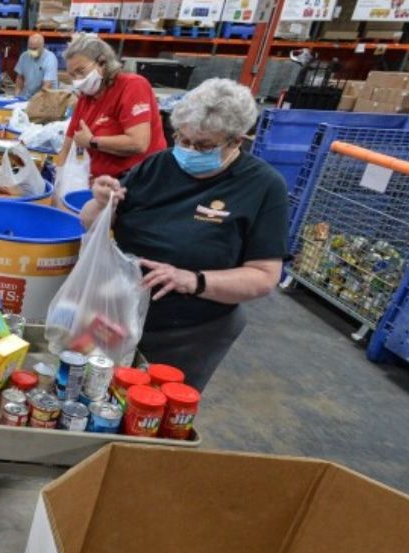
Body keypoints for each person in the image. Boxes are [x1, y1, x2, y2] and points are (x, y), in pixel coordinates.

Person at [78, 79, 287, 390]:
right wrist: (99, 204)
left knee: (148, 410)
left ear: (237, 141)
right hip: (115, 312)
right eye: (183, 139)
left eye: (204, 146)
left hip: (187, 331)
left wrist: (192, 280)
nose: (189, 151)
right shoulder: (158, 165)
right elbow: (89, 223)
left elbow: (264, 276)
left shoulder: (263, 187)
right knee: (92, 391)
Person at [61, 33, 165, 181]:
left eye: (81, 71)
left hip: (133, 182)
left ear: (102, 62)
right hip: (96, 182)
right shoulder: (85, 99)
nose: (77, 80)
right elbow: (71, 144)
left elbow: (138, 143)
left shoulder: (132, 86)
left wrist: (92, 141)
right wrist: (63, 176)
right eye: (72, 75)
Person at [14, 34, 58, 100]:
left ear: (43, 46)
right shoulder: (24, 56)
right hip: (27, 97)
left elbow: (47, 86)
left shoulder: (50, 58)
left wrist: (34, 102)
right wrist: (16, 96)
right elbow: (20, 78)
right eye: (30, 48)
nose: (32, 51)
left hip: (46, 98)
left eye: (35, 49)